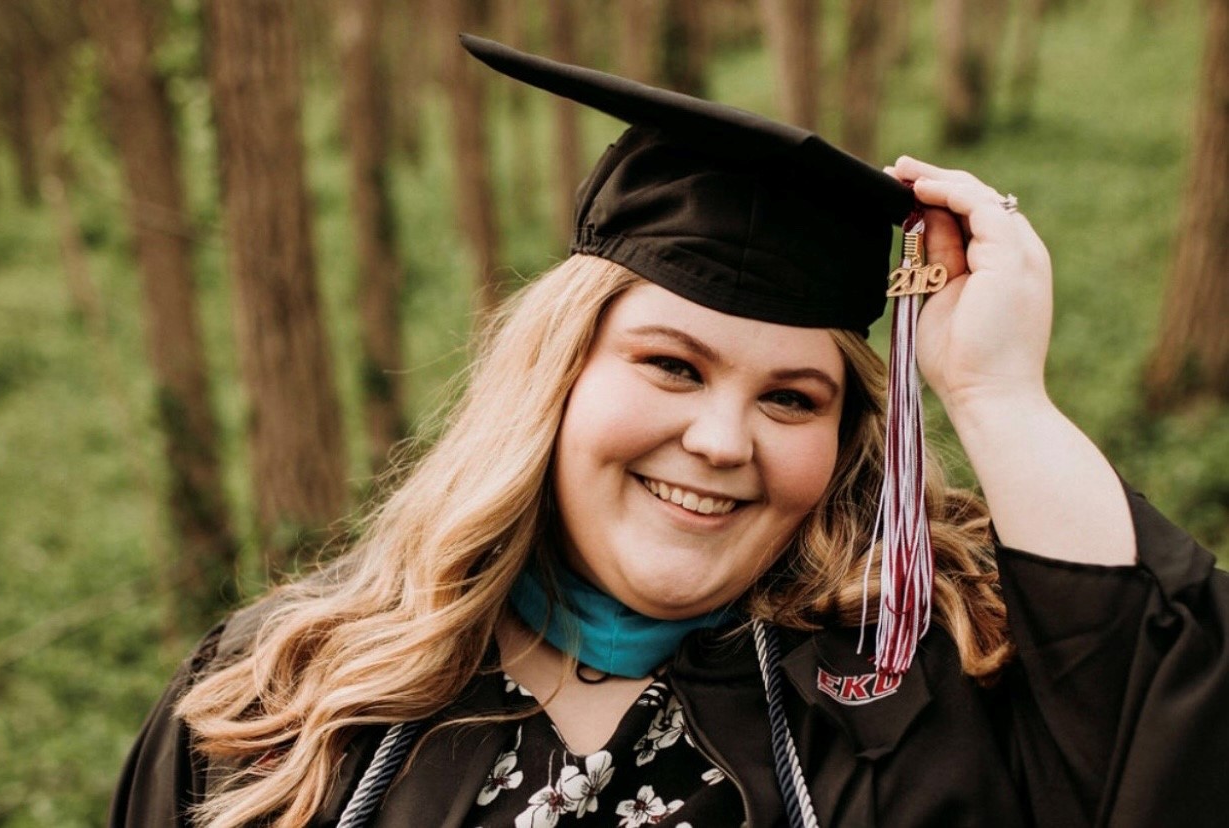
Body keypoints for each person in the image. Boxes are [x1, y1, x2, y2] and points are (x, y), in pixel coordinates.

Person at [110, 36, 1229, 828]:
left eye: (792, 397)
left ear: (844, 445)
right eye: (670, 366)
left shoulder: (924, 704)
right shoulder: (282, 701)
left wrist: (998, 398)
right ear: (554, 380)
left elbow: (1160, 725)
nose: (720, 439)